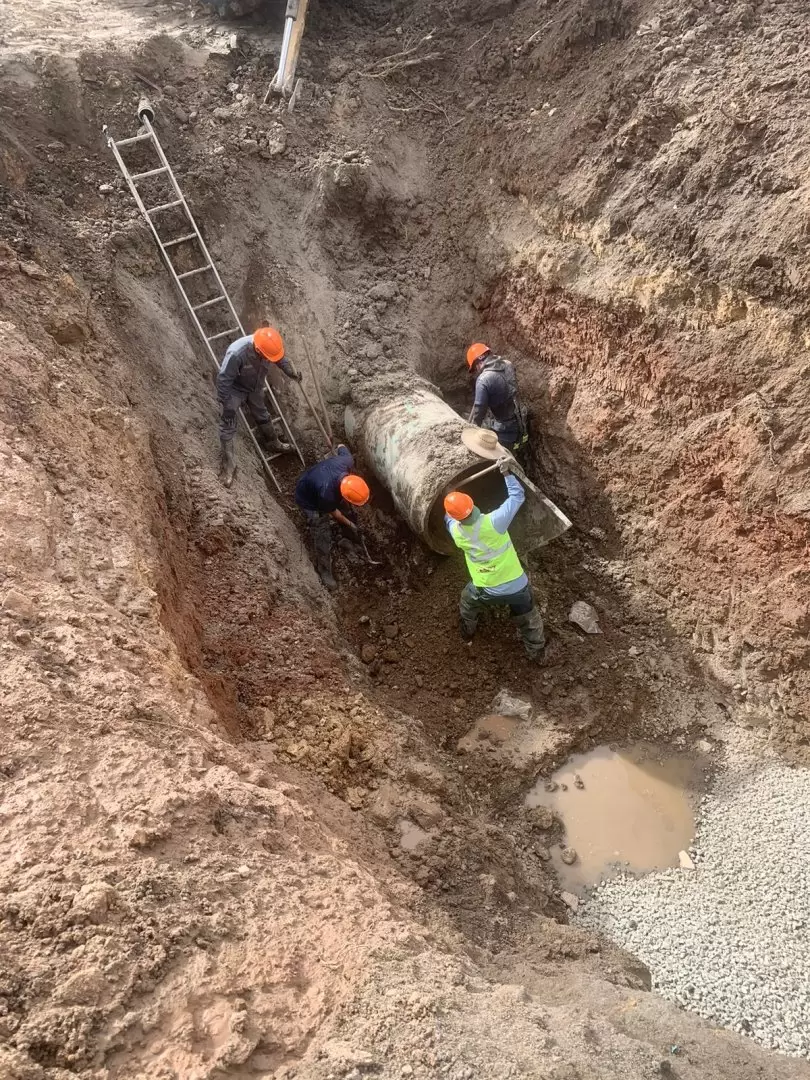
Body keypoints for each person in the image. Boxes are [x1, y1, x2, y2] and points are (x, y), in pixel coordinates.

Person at [444, 457, 545, 659]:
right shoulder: (495, 522)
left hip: (486, 590)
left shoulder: (456, 533)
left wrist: (448, 494)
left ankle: (468, 631)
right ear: (473, 506)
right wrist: (506, 473)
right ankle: (536, 651)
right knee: (529, 617)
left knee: (467, 602)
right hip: (517, 586)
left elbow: (448, 518)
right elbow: (517, 496)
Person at [216, 326, 302, 486]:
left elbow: (279, 358)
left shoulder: (269, 346)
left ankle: (272, 443)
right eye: (266, 356)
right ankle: (229, 464)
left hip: (255, 387)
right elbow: (224, 380)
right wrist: (226, 402)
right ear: (257, 349)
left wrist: (291, 372)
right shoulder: (237, 354)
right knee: (228, 422)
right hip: (235, 389)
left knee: (262, 414)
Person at [295, 445, 370, 590]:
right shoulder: (326, 495)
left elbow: (341, 446)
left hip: (323, 478)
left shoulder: (347, 460)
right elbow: (335, 514)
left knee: (348, 511)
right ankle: (324, 571)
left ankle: (350, 539)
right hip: (308, 497)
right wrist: (351, 524)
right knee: (321, 531)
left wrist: (336, 444)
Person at [466, 342, 528, 452]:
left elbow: (479, 410)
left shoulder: (483, 380)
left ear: (477, 363)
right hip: (521, 420)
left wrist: (471, 433)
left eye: (475, 369)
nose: (477, 371)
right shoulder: (508, 364)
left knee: (501, 456)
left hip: (505, 431)